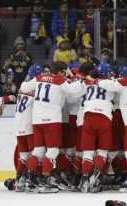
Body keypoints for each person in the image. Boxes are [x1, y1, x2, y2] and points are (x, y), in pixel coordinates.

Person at [19, 62, 84, 192]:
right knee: (52, 151)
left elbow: (24, 87)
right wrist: (78, 78)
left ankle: (29, 178)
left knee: (38, 151)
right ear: (60, 71)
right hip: (52, 120)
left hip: (37, 120)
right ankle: (45, 179)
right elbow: (75, 91)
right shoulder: (60, 80)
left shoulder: (39, 78)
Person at [13, 64, 43, 190]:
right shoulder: (37, 85)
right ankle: (32, 179)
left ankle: (19, 180)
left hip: (18, 125)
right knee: (35, 154)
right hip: (29, 125)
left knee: (24, 156)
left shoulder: (23, 85)